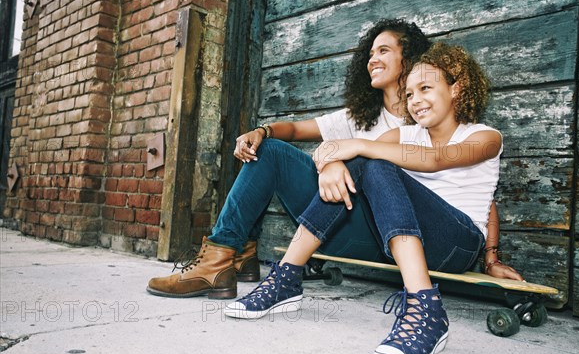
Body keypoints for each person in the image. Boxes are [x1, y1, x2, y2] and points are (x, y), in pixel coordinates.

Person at [146, 19, 519, 299]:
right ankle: (229, 259)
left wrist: (491, 257)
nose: (373, 58)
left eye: (384, 50)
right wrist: (326, 158)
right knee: (274, 151)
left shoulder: (458, 127)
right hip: (366, 227)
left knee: (373, 162)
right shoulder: (377, 123)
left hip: (430, 237)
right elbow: (324, 141)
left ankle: (415, 298)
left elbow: (468, 184)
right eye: (370, 53)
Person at [224, 42, 513, 354]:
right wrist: (332, 163)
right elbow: (354, 159)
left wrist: (491, 257)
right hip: (409, 241)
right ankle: (287, 278)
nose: (415, 100)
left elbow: (440, 163)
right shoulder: (406, 135)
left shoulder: (485, 137)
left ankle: (426, 307)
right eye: (409, 94)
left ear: (457, 88)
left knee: (375, 161)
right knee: (371, 163)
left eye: (425, 89)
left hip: (457, 245)